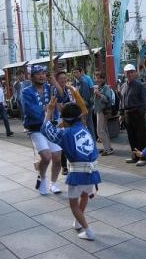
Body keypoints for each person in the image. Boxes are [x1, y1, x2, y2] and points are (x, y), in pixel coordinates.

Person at [41, 100, 101, 240]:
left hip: (78, 173)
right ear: (79, 117)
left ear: (65, 119)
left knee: (73, 204)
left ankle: (88, 230)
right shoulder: (85, 129)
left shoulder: (65, 134)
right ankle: (78, 222)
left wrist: (49, 111)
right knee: (85, 195)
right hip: (92, 171)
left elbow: (45, 129)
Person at [21, 65, 62, 195]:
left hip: (51, 126)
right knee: (46, 156)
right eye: (38, 74)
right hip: (36, 128)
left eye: (44, 73)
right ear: (32, 76)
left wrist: (54, 83)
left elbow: (62, 96)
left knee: (57, 158)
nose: (42, 76)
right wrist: (46, 108)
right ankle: (42, 178)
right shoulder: (26, 91)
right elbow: (29, 109)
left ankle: (53, 183)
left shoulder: (50, 88)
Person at [119, 64, 146, 166]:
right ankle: (135, 156)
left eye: (132, 72)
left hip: (137, 114)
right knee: (131, 137)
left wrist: (141, 113)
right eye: (127, 72)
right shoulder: (123, 86)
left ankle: (143, 157)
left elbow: (144, 101)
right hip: (127, 114)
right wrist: (121, 113)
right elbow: (121, 101)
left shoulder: (140, 85)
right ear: (125, 73)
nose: (130, 74)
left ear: (135, 72)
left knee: (141, 137)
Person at [94, 72, 113, 156]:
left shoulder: (106, 88)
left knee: (100, 131)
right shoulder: (99, 87)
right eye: (96, 78)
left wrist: (99, 94)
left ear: (103, 79)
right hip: (99, 111)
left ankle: (107, 149)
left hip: (103, 111)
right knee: (104, 130)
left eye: (99, 78)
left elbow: (108, 100)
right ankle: (108, 148)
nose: (97, 80)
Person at [73, 66, 95, 140]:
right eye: (74, 72)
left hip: (85, 107)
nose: (75, 74)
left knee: (88, 124)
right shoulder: (73, 83)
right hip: (77, 108)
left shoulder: (84, 82)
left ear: (80, 73)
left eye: (77, 72)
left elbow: (86, 98)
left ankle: (92, 141)